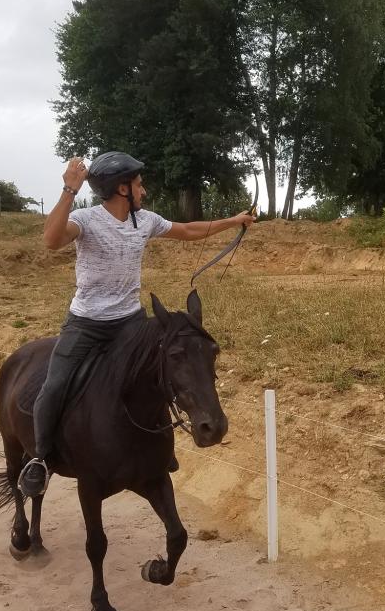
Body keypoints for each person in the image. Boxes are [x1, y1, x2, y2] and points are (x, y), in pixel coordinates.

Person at [17, 151, 256, 498]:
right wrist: (69, 190)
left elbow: (188, 230)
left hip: (130, 322)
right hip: (86, 323)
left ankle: (158, 451)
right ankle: (39, 459)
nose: (144, 191)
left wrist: (233, 221)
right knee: (53, 386)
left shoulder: (144, 221)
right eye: (139, 185)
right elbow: (51, 240)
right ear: (122, 188)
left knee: (159, 376)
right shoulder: (87, 219)